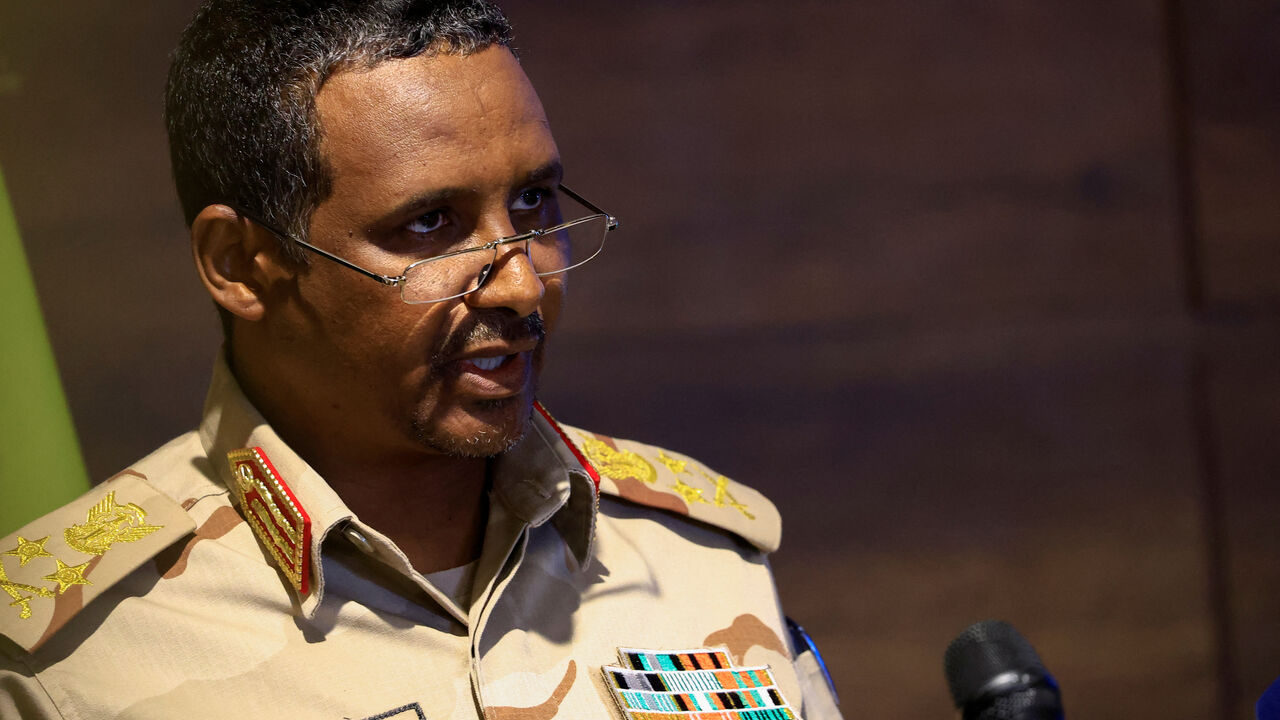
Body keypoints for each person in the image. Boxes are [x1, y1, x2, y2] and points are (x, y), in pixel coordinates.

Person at [0, 2, 842, 718]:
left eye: (532, 202)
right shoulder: (69, 661)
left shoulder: (699, 556)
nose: (519, 281)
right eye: (430, 223)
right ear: (240, 263)